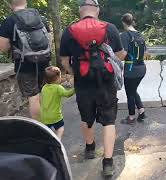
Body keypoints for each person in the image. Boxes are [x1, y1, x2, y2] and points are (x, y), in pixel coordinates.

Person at [59, 0, 126, 177]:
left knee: (86, 118)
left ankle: (90, 148)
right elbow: (119, 55)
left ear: (80, 10)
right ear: (97, 10)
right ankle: (108, 163)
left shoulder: (69, 30)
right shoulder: (110, 28)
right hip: (106, 82)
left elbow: (65, 61)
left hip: (83, 82)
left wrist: (76, 72)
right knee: (108, 120)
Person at [0, 0, 51, 120]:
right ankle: (49, 122)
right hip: (44, 61)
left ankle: (40, 129)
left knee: (33, 97)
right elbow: (48, 39)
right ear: (26, 2)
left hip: (24, 64)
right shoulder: (40, 18)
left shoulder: (9, 21)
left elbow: (3, 47)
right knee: (43, 92)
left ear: (11, 5)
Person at [120, 13, 147, 125]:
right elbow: (145, 53)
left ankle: (131, 118)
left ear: (123, 23)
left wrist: (115, 57)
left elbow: (123, 54)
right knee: (133, 90)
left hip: (131, 70)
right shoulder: (140, 35)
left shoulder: (125, 35)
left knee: (129, 93)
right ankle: (142, 112)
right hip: (142, 68)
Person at [40, 66, 75, 140]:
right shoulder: (58, 88)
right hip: (56, 116)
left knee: (47, 131)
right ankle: (58, 140)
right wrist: (75, 89)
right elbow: (67, 94)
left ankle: (48, 140)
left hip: (45, 116)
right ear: (57, 78)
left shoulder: (44, 88)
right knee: (60, 128)